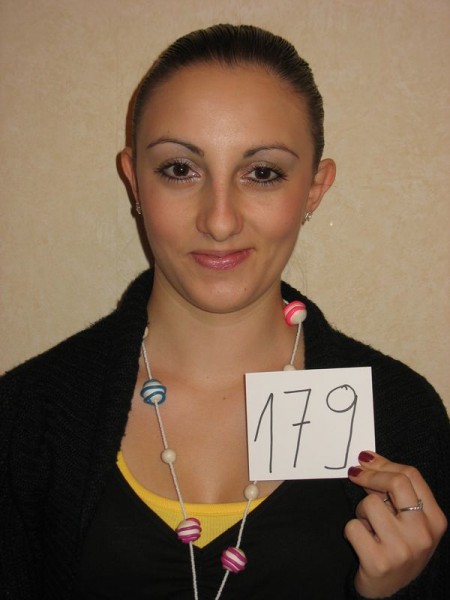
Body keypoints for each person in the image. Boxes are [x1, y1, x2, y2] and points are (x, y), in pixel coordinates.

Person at [0, 23, 448, 600]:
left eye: (262, 173)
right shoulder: (27, 418)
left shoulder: (404, 417)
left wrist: (399, 593)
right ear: (134, 181)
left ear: (314, 188)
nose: (219, 220)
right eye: (179, 169)